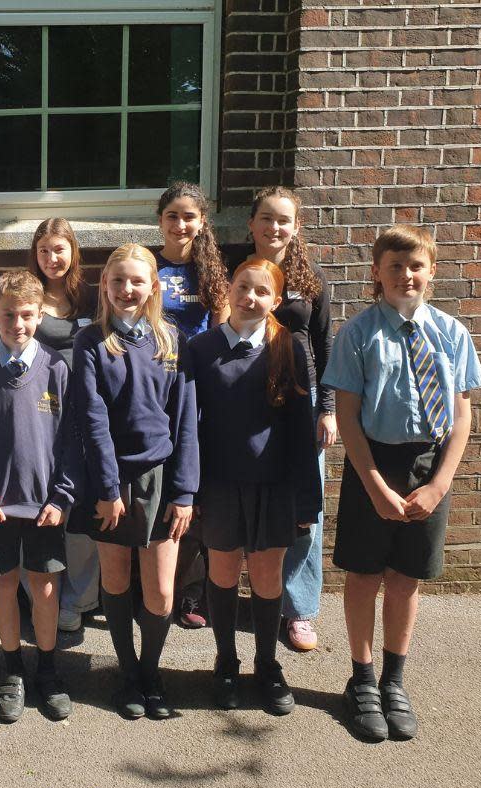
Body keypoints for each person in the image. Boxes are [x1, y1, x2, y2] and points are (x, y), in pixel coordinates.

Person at [323, 225, 481, 742]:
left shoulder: (452, 333)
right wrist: (372, 485)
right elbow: (347, 416)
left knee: (405, 578)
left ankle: (394, 680)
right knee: (365, 576)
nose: (406, 275)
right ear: (377, 272)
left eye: (416, 266)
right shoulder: (358, 333)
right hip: (374, 464)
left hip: (428, 468)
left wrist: (439, 485)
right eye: (394, 265)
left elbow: (461, 416)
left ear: (431, 271)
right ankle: (362, 679)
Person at [70, 243, 199, 720]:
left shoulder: (173, 342)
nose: (128, 289)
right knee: (118, 578)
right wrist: (106, 491)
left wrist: (184, 492)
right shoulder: (91, 343)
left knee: (160, 591)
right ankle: (127, 673)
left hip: (161, 480)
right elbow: (93, 420)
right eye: (118, 280)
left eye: (137, 281)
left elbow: (186, 421)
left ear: (153, 287)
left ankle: (151, 671)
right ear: (105, 286)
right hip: (112, 482)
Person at [188, 257, 321, 716]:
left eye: (262, 291)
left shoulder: (290, 347)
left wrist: (307, 497)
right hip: (221, 484)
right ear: (229, 289)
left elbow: (304, 429)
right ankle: (225, 661)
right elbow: (190, 425)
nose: (250, 297)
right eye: (243, 287)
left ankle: (267, 664)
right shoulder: (202, 348)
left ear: (276, 301)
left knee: (267, 578)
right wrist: (191, 490)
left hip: (276, 485)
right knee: (222, 574)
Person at [0, 271, 76, 723]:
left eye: (27, 315)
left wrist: (62, 496)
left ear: (40, 315)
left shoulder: (57, 368)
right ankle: (11, 669)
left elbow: (71, 441)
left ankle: (47, 667)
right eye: (8, 315)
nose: (18, 323)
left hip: (45, 503)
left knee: (45, 586)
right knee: (4, 584)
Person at [222, 186, 336, 652]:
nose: (274, 227)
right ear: (251, 223)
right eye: (266, 218)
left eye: (283, 220)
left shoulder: (313, 281)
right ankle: (231, 594)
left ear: (296, 227)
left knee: (305, 506)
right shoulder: (236, 270)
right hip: (245, 396)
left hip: (300, 401)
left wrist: (328, 409)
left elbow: (328, 348)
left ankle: (299, 609)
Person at [153, 182, 230, 630]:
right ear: (160, 220)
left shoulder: (213, 272)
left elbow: (220, 330)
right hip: (155, 387)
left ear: (202, 223)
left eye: (189, 217)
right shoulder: (147, 265)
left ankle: (190, 592)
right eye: (172, 216)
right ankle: (154, 584)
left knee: (195, 490)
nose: (180, 225)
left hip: (197, 386)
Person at [28, 218, 100, 634]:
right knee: (41, 499)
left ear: (72, 251)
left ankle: (80, 597)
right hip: (38, 410)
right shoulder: (30, 294)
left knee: (80, 508)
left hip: (84, 409)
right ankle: (38, 591)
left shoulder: (91, 298)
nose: (51, 259)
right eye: (43, 251)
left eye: (59, 249)